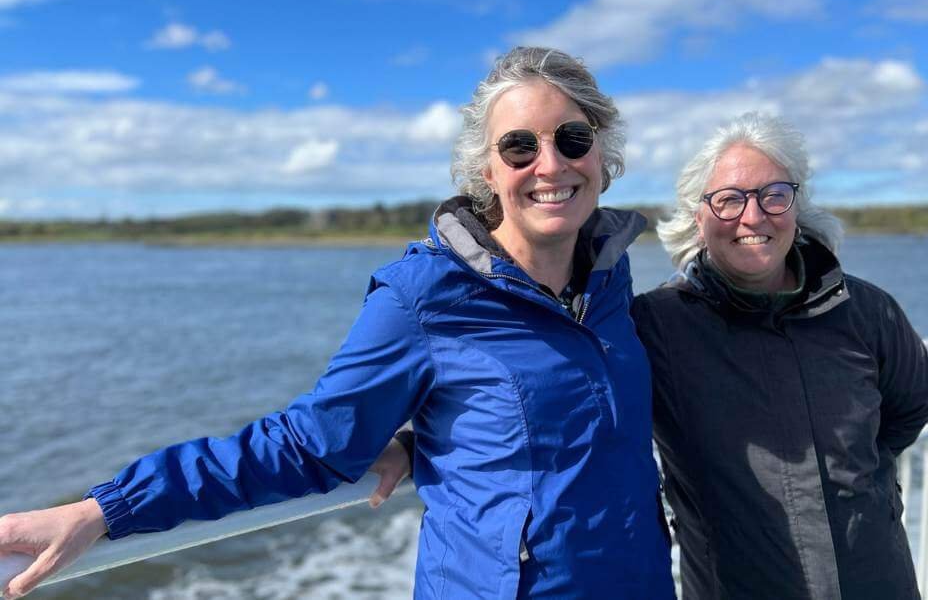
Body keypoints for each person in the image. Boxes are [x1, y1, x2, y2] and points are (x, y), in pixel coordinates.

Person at [0, 47, 675, 600]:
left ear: (601, 157)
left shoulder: (611, 274)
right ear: (486, 171)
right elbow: (305, 445)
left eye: (573, 139)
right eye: (520, 146)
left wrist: (430, 440)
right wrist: (106, 509)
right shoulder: (425, 295)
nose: (549, 164)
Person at [633, 112, 928, 599]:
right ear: (698, 216)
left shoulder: (867, 311)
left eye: (773, 195)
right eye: (728, 200)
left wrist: (862, 484)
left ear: (796, 205)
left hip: (877, 580)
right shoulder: (659, 326)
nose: (753, 217)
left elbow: (909, 408)